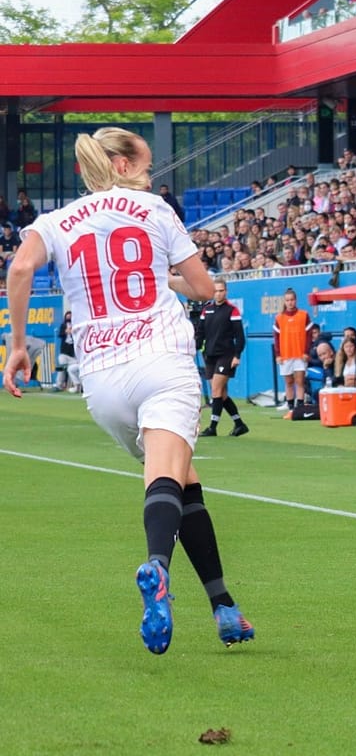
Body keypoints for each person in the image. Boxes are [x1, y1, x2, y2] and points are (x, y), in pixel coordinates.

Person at [1, 127, 253, 655]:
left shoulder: (54, 221)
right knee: (167, 475)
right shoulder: (155, 210)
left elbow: (21, 266)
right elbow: (206, 289)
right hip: (161, 360)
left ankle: (224, 605)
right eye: (143, 161)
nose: (150, 171)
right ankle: (157, 567)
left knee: (184, 480)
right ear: (119, 167)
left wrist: (18, 345)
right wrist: (166, 277)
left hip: (102, 380)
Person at [196, 278, 249, 437]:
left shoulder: (232, 310)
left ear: (226, 292)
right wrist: (196, 347)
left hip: (226, 355)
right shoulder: (207, 310)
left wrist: (237, 355)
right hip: (210, 355)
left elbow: (240, 336)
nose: (218, 294)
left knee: (216, 390)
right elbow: (201, 332)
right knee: (221, 394)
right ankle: (239, 424)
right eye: (216, 291)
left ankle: (212, 427)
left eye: (221, 291)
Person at [274, 287, 313, 411]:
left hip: (300, 355)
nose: (290, 302)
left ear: (296, 300)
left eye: (292, 300)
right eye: (287, 300)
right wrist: (278, 354)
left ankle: (300, 407)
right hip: (285, 355)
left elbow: (309, 336)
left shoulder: (304, 315)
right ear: (284, 302)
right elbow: (276, 337)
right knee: (289, 382)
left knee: (300, 381)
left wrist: (306, 352)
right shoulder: (279, 317)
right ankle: (290, 407)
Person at [56, 310, 81, 393]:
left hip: (72, 353)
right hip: (64, 352)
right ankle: (59, 385)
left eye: (70, 316)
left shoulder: (76, 326)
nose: (69, 318)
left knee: (73, 369)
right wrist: (66, 331)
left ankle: (77, 385)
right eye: (68, 316)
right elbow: (60, 334)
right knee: (62, 369)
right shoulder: (63, 325)